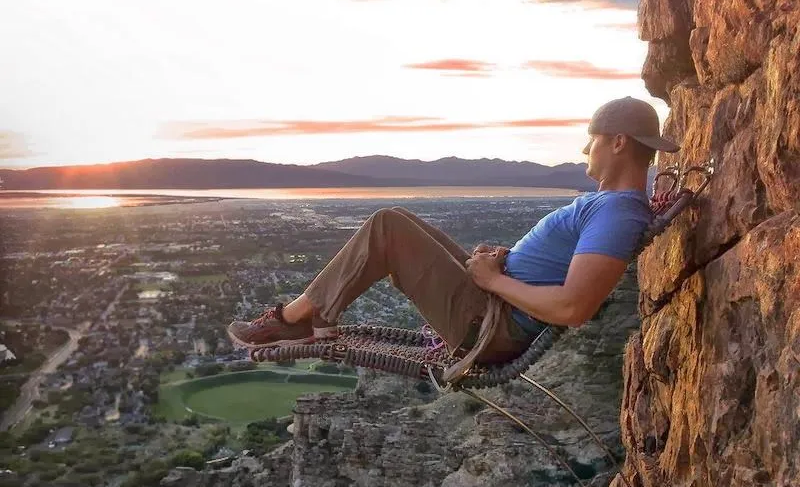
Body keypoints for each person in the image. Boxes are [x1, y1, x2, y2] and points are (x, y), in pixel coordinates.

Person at [227, 96, 680, 365]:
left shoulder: (617, 213)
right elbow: (562, 273)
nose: (585, 148)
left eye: (593, 139)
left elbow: (573, 306)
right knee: (398, 219)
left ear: (618, 142)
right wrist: (504, 263)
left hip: (489, 325)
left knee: (387, 227)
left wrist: (494, 280)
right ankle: (309, 316)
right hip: (493, 304)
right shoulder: (610, 206)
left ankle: (295, 321)